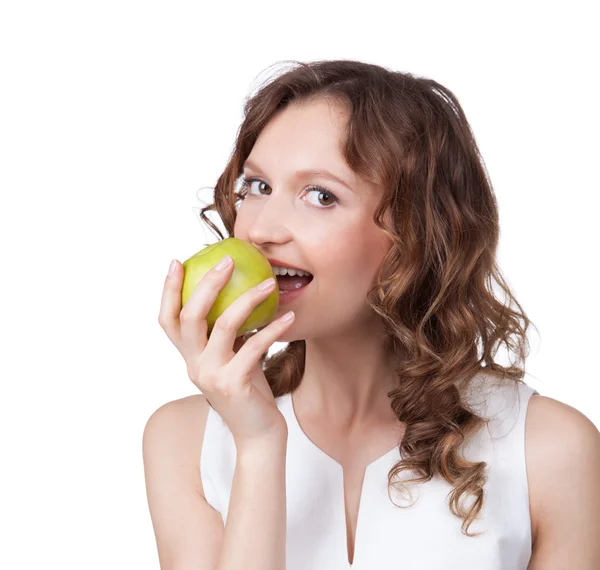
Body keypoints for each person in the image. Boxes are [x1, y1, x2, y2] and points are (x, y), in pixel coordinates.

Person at [143, 59, 600, 569]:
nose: (262, 230)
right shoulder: (184, 441)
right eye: (257, 187)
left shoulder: (550, 451)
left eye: (320, 196)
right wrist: (259, 446)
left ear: (421, 230)